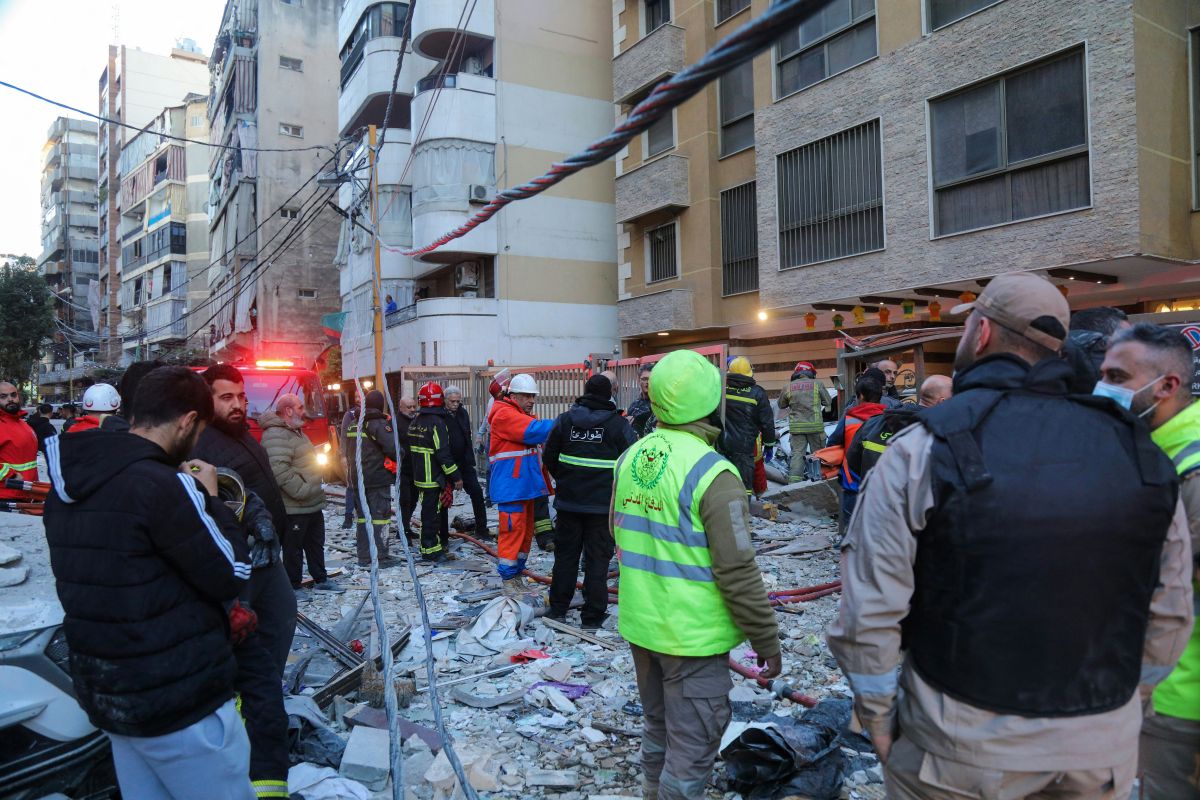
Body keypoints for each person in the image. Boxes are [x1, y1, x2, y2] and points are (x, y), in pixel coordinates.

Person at [828, 273, 1193, 800]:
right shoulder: (1141, 453)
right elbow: (1170, 610)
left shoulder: (926, 446)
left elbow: (869, 611)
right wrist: (1122, 708)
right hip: (1098, 749)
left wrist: (878, 719)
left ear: (980, 335)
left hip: (960, 746)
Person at [43, 366, 256, 800]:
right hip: (179, 701)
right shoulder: (164, 486)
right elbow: (231, 572)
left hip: (112, 696)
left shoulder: (69, 483)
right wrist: (211, 499)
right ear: (187, 422)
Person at [612, 349, 782, 799]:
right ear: (711, 403)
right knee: (693, 742)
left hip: (642, 624)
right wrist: (766, 641)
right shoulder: (714, 473)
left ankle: (653, 789)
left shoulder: (631, 457)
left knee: (658, 725)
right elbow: (738, 570)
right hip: (691, 636)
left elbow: (621, 534)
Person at [1098, 324, 1200, 798]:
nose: (1104, 388)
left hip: (1182, 695)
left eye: (1118, 376)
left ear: (1167, 386)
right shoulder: (1156, 449)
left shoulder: (1189, 466)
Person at [190, 364, 296, 671]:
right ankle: (243, 701)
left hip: (266, 551)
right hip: (236, 558)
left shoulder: (243, 435)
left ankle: (267, 689)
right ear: (206, 400)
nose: (237, 404)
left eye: (241, 396)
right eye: (226, 397)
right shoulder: (199, 445)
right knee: (240, 636)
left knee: (280, 617)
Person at [543, 374, 636, 629]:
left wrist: (565, 479)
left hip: (569, 504)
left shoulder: (565, 420)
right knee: (597, 561)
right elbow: (631, 461)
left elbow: (549, 454)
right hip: (601, 508)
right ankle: (592, 617)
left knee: (565, 558)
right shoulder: (618, 426)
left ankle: (558, 610)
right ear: (609, 394)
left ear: (585, 392)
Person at [261, 394, 342, 593]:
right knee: (293, 548)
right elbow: (278, 470)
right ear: (288, 410)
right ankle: (293, 586)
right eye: (300, 407)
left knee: (315, 543)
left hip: (311, 501)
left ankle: (320, 579)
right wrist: (302, 490)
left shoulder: (295, 431)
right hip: (295, 506)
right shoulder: (275, 435)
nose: (304, 411)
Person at [487, 373, 556, 594]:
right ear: (513, 395)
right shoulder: (504, 415)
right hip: (512, 488)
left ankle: (516, 575)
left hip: (522, 487)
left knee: (524, 533)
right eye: (526, 396)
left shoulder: (515, 413)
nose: (531, 400)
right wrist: (566, 421)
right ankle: (509, 580)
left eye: (532, 396)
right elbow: (534, 431)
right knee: (512, 532)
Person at [845, 375, 952, 491]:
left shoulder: (874, 423)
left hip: (875, 502)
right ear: (942, 402)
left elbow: (852, 463)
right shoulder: (946, 432)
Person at [345, 389, 402, 567]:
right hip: (377, 478)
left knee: (362, 518)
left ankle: (364, 556)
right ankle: (381, 557)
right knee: (380, 517)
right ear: (380, 405)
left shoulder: (354, 424)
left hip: (357, 478)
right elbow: (394, 449)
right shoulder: (378, 424)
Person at [407, 383, 462, 562]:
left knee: (427, 514)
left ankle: (429, 547)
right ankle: (431, 551)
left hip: (419, 477)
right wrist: (456, 477)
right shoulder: (438, 423)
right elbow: (443, 454)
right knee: (432, 516)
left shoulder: (415, 422)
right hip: (433, 478)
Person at [828, 375, 886, 532]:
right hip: (881, 482)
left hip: (853, 481)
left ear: (860, 396)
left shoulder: (850, 418)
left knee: (851, 525)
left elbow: (832, 442)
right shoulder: (889, 418)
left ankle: (848, 548)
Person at [718, 356, 776, 495]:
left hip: (721, 445)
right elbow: (767, 422)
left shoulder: (721, 390)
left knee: (724, 484)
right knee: (744, 488)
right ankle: (744, 515)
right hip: (744, 448)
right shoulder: (757, 393)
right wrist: (769, 444)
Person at [443, 386, 490, 538]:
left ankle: (482, 529)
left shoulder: (462, 413)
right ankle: (442, 535)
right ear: (445, 400)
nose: (456, 404)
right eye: (452, 401)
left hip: (464, 462)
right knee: (444, 500)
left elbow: (466, 436)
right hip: (448, 464)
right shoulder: (441, 416)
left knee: (476, 493)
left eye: (458, 401)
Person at [777, 361, 831, 483]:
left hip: (797, 429)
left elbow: (781, 404)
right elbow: (827, 401)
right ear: (811, 372)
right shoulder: (818, 384)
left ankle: (794, 484)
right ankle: (819, 481)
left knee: (797, 456)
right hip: (815, 428)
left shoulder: (788, 387)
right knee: (818, 455)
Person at [1066, 306, 1131, 391]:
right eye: (1127, 338)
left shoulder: (1055, 378)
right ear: (1106, 341)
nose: (1132, 344)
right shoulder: (1116, 387)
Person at [0, 382, 37, 501]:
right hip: (6, 497)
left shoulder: (24, 425)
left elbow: (30, 463)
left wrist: (36, 490)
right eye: (3, 397)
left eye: (13, 395)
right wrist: (12, 475)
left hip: (26, 494)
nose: (10, 399)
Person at [393, 396, 419, 540]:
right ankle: (402, 531)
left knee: (414, 499)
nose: (412, 410)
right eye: (409, 407)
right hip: (402, 469)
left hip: (415, 468)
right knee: (405, 500)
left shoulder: (416, 421)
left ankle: (406, 528)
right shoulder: (395, 423)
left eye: (413, 406)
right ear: (401, 407)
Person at [339, 405, 359, 529]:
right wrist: (343, 456)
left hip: (367, 459)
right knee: (351, 487)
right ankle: (348, 516)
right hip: (353, 457)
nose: (358, 398)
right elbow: (344, 437)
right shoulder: (350, 415)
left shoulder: (372, 412)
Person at [626, 364, 657, 438]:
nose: (647, 382)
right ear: (638, 381)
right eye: (644, 379)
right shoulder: (634, 406)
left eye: (650, 379)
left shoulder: (659, 405)